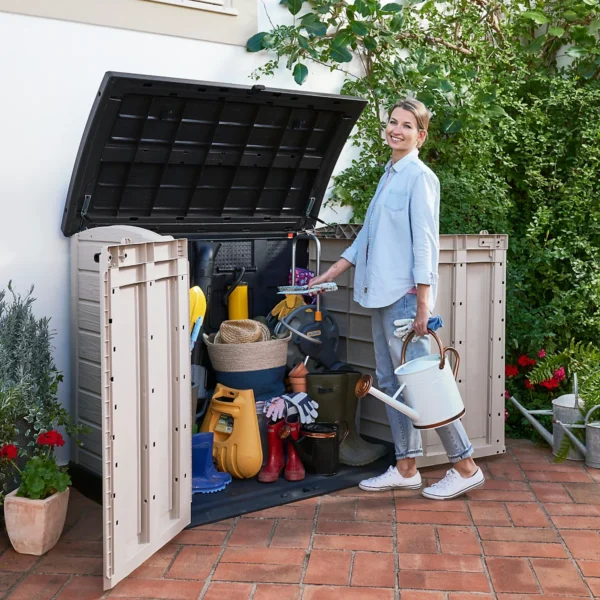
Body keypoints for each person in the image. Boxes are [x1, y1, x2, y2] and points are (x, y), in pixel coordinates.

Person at [308, 98, 485, 499]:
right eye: (392, 122)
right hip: (381, 296)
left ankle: (466, 464)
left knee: (424, 384)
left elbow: (425, 245)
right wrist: (333, 272)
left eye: (407, 125)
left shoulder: (419, 177)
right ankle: (406, 467)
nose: (396, 129)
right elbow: (369, 235)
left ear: (420, 135)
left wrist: (424, 304)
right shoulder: (390, 174)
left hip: (405, 299)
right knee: (391, 384)